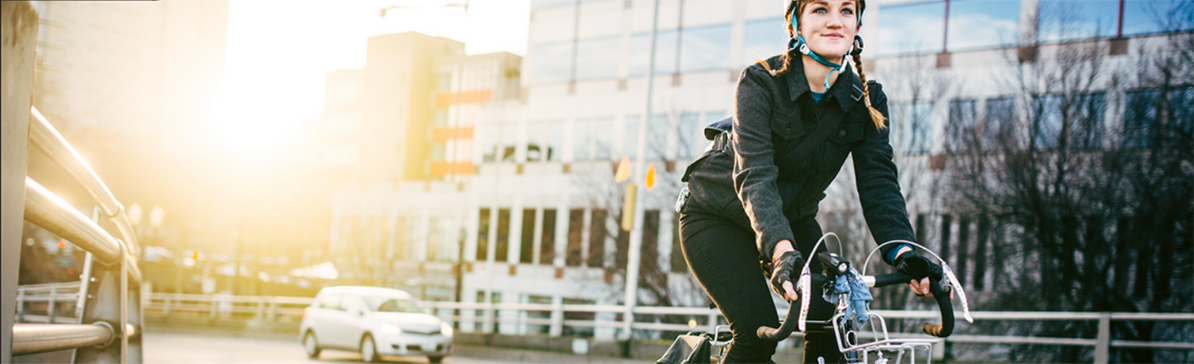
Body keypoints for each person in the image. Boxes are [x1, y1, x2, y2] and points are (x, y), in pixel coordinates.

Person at [676, 0, 946, 362]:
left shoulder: (866, 101)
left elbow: (879, 182)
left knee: (834, 320)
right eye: (820, 9)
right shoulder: (759, 82)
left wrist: (904, 252)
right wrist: (781, 248)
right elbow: (755, 175)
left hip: (792, 218)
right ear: (795, 24)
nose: (835, 21)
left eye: (846, 10)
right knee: (757, 333)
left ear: (858, 25)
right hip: (717, 216)